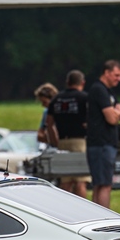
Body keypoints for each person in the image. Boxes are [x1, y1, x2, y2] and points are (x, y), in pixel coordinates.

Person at [86, 59, 120, 208]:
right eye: (116, 75)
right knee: (104, 184)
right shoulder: (99, 90)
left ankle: (97, 215)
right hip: (101, 144)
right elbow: (112, 119)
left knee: (101, 183)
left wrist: (117, 113)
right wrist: (116, 113)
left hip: (105, 144)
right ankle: (103, 217)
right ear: (106, 72)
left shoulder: (109, 91)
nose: (119, 79)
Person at [46, 69, 89, 197]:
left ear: (67, 82)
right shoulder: (84, 98)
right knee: (80, 180)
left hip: (62, 142)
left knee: (65, 181)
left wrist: (55, 141)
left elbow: (49, 123)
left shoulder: (56, 99)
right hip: (80, 141)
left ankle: (64, 208)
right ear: (82, 82)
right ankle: (82, 208)